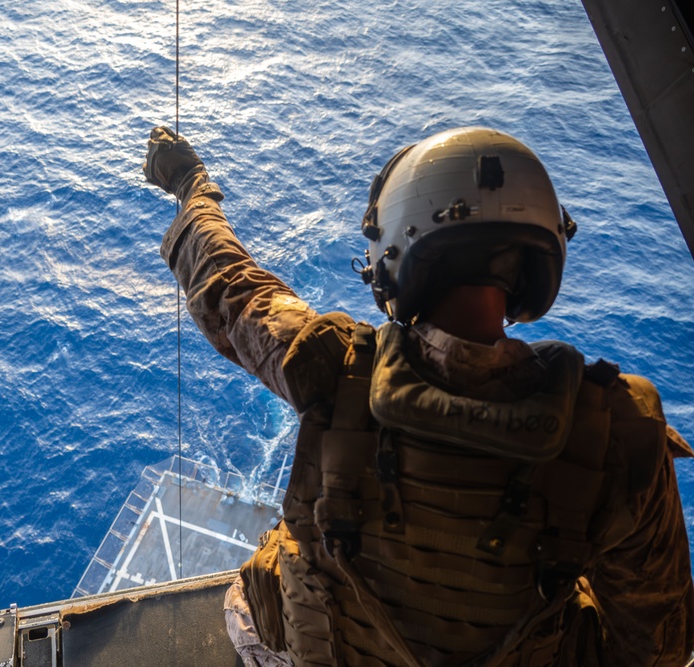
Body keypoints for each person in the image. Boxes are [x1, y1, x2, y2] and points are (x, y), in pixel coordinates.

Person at [143, 125, 694, 666]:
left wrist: (192, 185)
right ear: (538, 263)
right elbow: (655, 648)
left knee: (248, 597)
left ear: (392, 256)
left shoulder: (332, 368)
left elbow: (230, 286)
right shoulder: (617, 428)